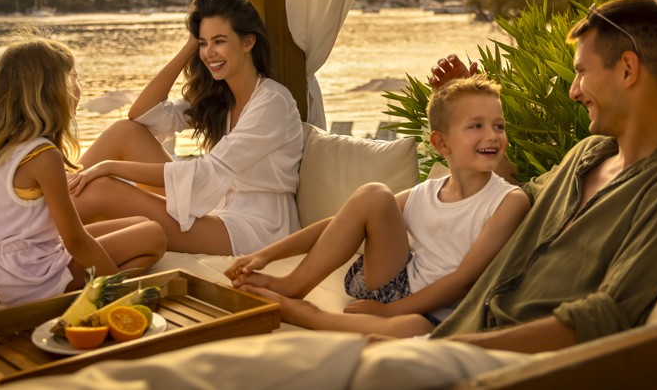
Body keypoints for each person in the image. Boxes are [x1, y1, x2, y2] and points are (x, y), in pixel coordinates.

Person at [0, 0, 303, 272]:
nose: (210, 53)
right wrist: (190, 45)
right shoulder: (219, 98)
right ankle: (36, 208)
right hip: (217, 210)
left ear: (249, 41)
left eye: (220, 41)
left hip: (253, 228)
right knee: (120, 132)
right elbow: (141, 116)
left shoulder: (272, 102)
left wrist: (110, 168)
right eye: (204, 43)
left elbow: (208, 173)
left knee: (101, 188)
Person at [423, 0, 657, 353]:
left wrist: (451, 351)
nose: (573, 91)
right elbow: (508, 198)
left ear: (627, 69)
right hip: (452, 339)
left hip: (507, 364)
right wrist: (466, 110)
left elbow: (608, 317)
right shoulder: (585, 156)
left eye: (582, 71)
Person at [226, 76, 530, 337]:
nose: (492, 135)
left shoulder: (508, 201)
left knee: (413, 328)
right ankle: (293, 286)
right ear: (441, 143)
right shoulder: (426, 193)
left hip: (443, 314)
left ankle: (306, 315)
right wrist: (266, 254)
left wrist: (390, 312)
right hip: (396, 285)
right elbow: (340, 222)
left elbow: (463, 281)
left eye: (499, 126)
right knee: (374, 194)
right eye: (476, 126)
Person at [0, 36, 166, 304]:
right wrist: (125, 298)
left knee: (140, 224)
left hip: (7, 274)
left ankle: (90, 290)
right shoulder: (42, 155)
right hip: (33, 278)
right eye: (73, 80)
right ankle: (100, 296)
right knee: (153, 236)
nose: (78, 89)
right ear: (53, 93)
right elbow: (76, 241)